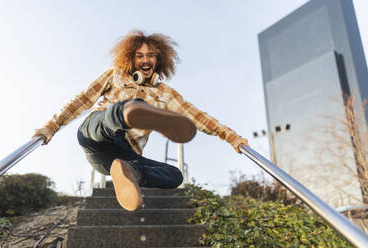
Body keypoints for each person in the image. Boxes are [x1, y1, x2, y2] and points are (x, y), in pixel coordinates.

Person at [33, 30, 249, 211]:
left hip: (122, 155)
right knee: (112, 116)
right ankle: (128, 113)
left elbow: (197, 116)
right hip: (96, 134)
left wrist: (230, 137)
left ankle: (129, 171)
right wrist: (52, 125)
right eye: (139, 55)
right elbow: (82, 100)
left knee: (174, 176)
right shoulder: (115, 75)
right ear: (130, 58)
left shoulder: (165, 93)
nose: (146, 60)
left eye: (151, 55)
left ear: (159, 59)